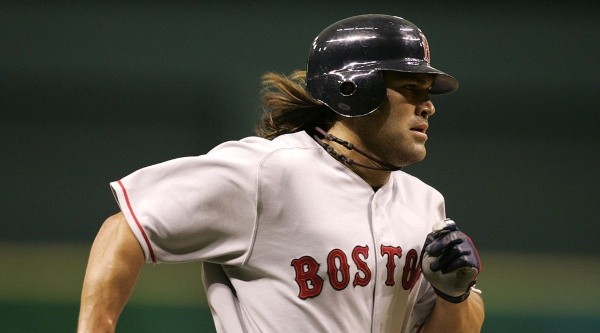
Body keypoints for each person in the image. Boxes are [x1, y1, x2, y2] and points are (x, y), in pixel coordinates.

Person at [78, 14, 484, 332]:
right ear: (355, 88)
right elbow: (125, 230)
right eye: (412, 88)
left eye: (427, 94)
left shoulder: (425, 203)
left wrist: (456, 296)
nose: (427, 106)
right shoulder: (268, 172)